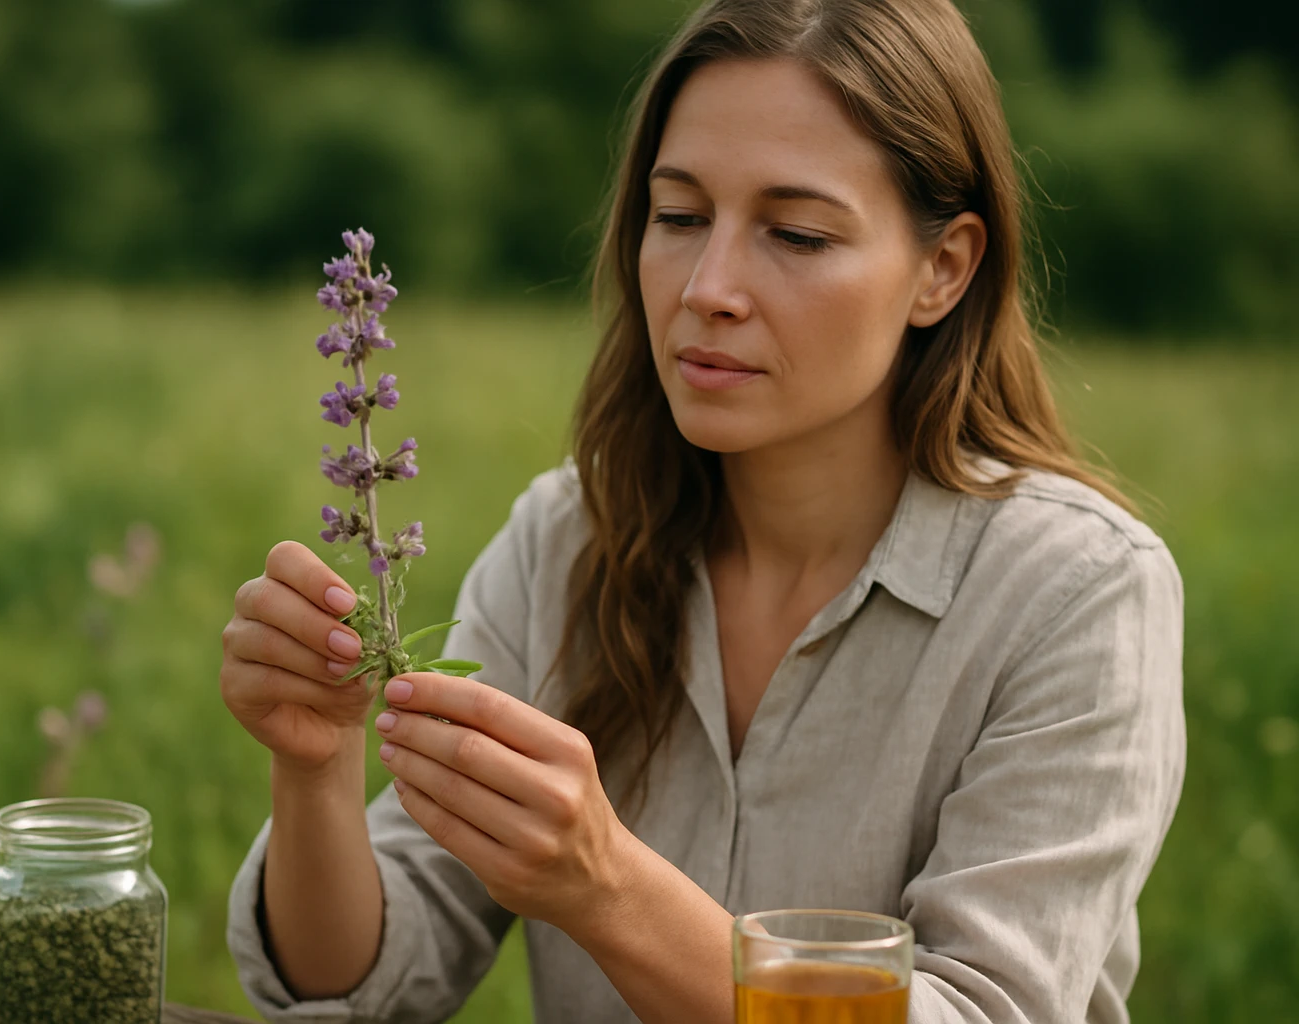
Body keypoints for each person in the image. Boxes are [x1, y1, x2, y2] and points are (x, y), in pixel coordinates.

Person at [218, 0, 1185, 1020]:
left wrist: (607, 888)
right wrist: (316, 766)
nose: (708, 286)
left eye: (798, 234)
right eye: (678, 217)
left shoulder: (1077, 593)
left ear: (942, 269)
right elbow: (367, 986)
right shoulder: (564, 541)